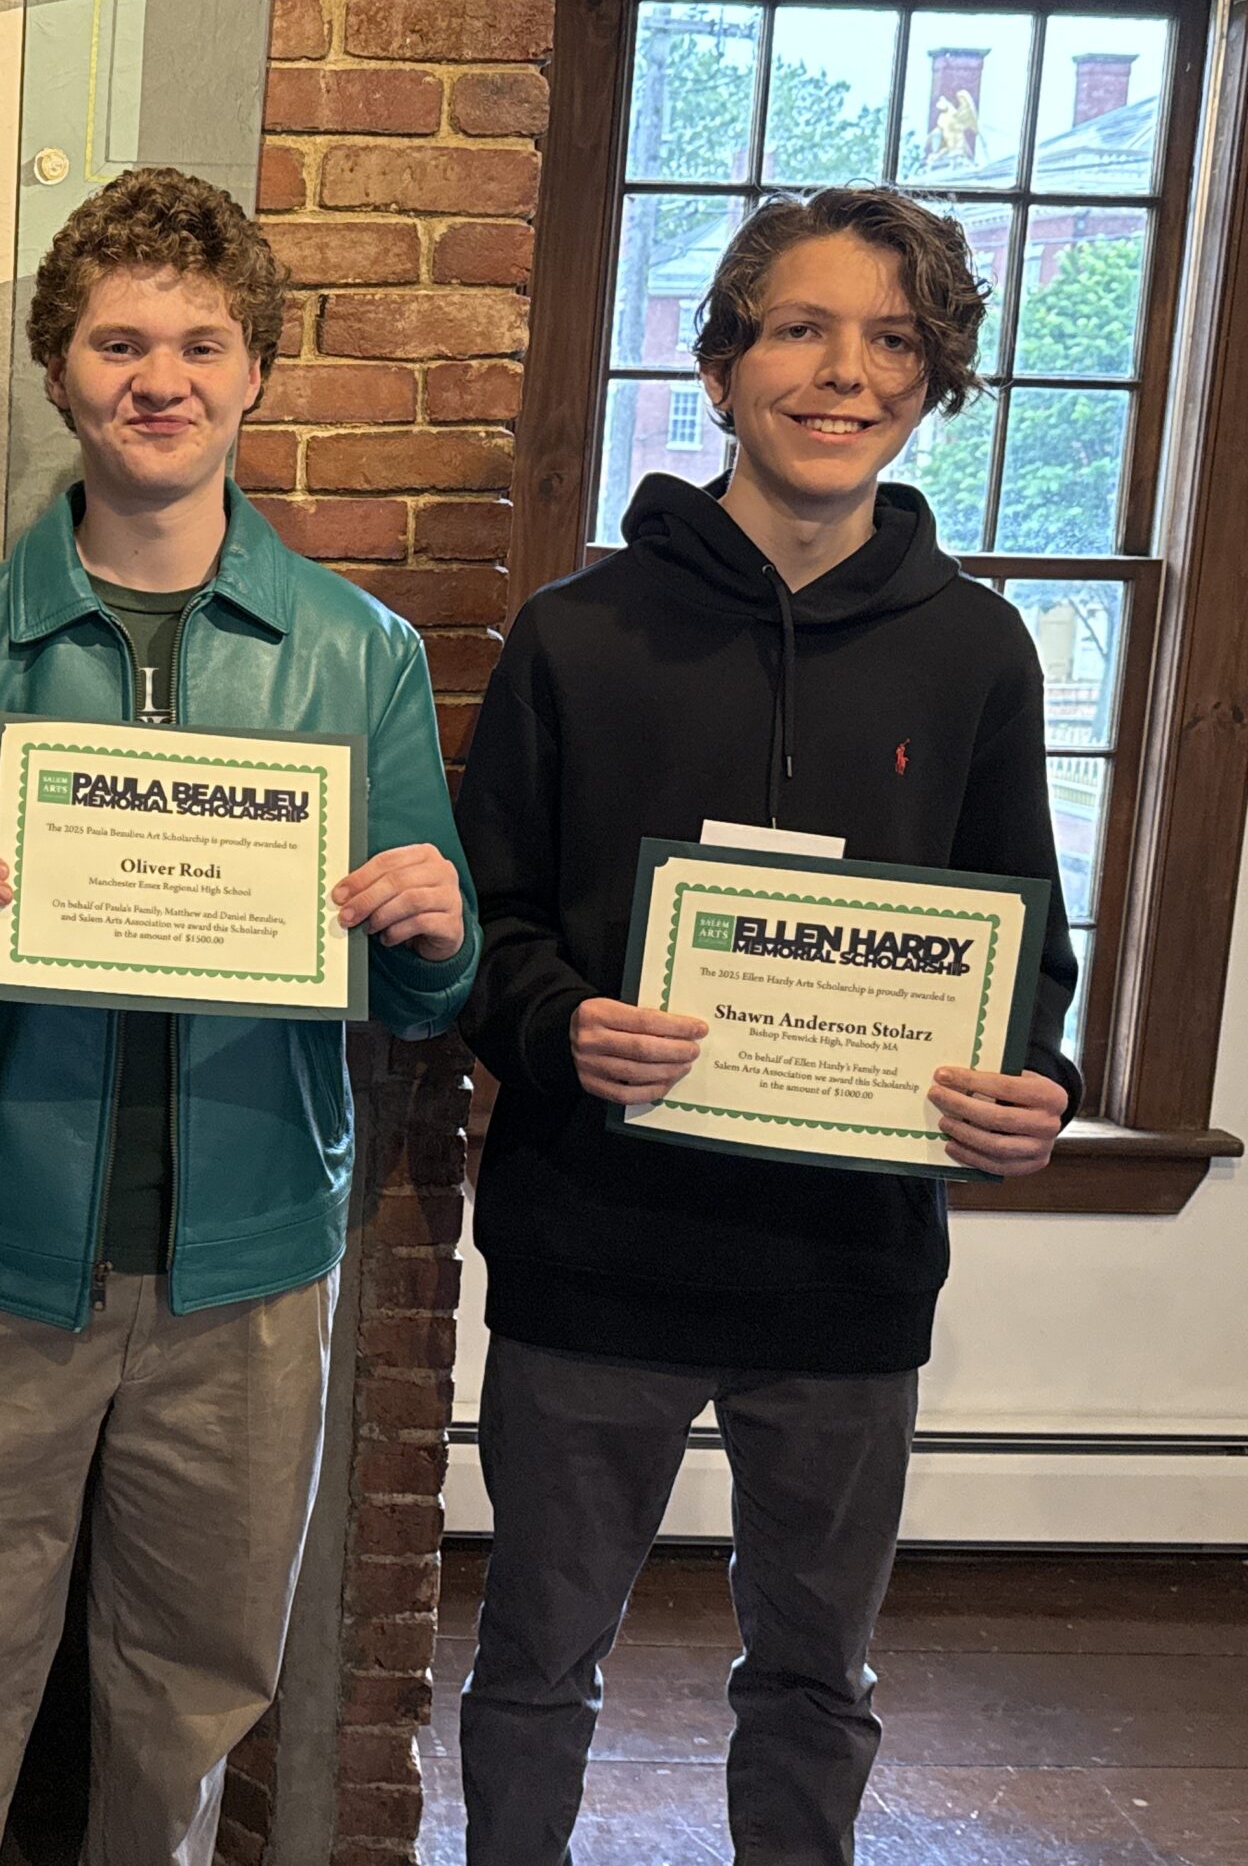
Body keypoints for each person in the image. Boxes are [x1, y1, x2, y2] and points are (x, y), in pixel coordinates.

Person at [0, 165, 479, 1866]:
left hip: (248, 1266)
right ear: (59, 369)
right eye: (117, 341)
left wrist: (437, 925)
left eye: (199, 341)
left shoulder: (361, 654)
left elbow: (424, 981)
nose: (156, 377)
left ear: (255, 373)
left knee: (189, 1703)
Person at [452, 186, 1080, 1866]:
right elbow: (485, 931)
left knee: (817, 1678)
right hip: (599, 1252)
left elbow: (1027, 951)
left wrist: (1042, 1086)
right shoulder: (577, 634)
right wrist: (562, 1025)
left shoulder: (978, 654)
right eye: (800, 328)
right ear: (721, 363)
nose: (843, 371)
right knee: (535, 1665)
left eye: (892, 339)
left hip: (850, 1271)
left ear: (935, 380)